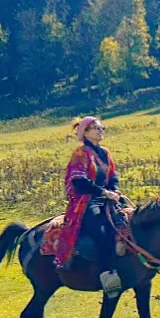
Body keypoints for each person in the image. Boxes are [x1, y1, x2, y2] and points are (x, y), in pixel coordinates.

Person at [54, 115, 128, 296]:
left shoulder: (105, 152)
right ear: (85, 133)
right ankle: (107, 274)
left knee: (132, 218)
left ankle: (157, 256)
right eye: (96, 128)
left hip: (107, 197)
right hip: (86, 202)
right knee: (102, 231)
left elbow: (113, 175)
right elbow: (79, 181)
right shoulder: (81, 154)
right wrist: (103, 192)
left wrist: (115, 190)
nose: (101, 130)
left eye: (101, 127)